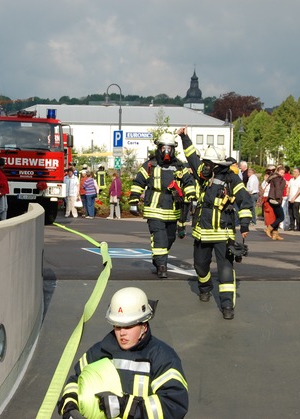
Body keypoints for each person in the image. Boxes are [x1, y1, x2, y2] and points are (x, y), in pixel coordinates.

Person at [57, 287, 188, 419]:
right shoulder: (101, 350)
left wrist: (125, 406)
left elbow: (174, 404)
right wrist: (69, 405)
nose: (122, 333)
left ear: (144, 325)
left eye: (128, 326)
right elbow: (76, 380)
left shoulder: (162, 357)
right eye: (117, 326)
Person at [180, 127, 252, 320]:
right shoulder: (203, 176)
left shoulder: (231, 178)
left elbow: (244, 200)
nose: (204, 166)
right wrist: (184, 137)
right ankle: (205, 286)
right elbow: (191, 157)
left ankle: (227, 304)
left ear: (217, 164)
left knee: (226, 270)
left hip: (223, 233)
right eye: (205, 163)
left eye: (208, 163)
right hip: (202, 232)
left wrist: (244, 225)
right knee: (200, 266)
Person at [128, 133, 196, 279]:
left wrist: (191, 197)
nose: (166, 151)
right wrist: (134, 201)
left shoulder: (179, 166)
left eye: (169, 148)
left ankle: (158, 258)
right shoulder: (150, 165)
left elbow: (189, 182)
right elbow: (138, 182)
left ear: (173, 149)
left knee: (170, 238)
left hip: (172, 210)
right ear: (158, 148)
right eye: (164, 148)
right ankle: (161, 266)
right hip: (154, 209)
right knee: (160, 238)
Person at [265, 165, 287, 241]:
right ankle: (269, 228)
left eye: (283, 173)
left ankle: (275, 234)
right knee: (281, 217)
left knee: (277, 217)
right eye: (281, 172)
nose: (282, 174)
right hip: (275, 199)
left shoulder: (273, 177)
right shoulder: (278, 178)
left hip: (271, 198)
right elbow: (278, 189)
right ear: (277, 172)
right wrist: (278, 199)